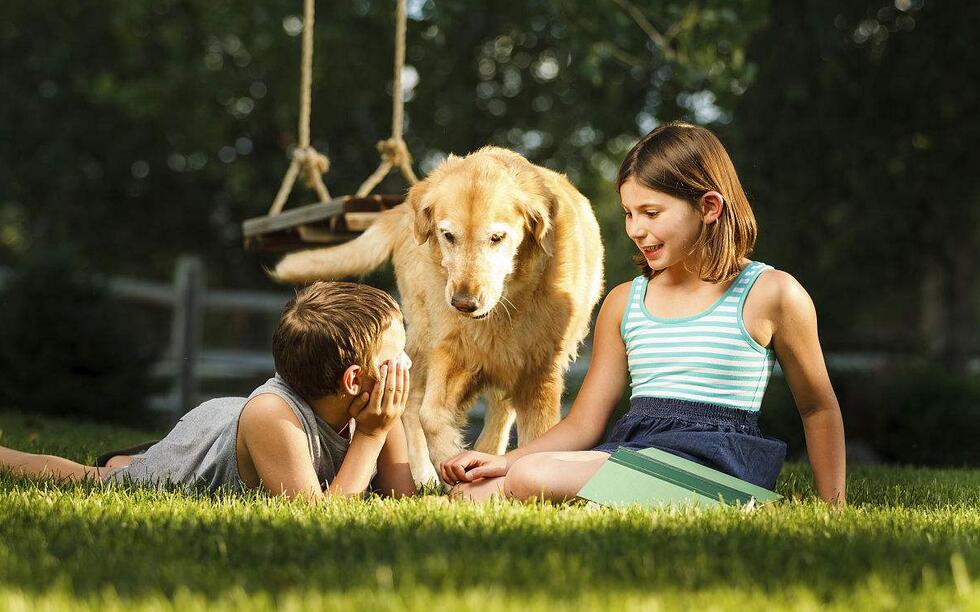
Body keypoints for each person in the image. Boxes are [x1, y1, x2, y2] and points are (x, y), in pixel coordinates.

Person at [440, 122, 846, 505]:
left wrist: (834, 507)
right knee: (476, 491)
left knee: (532, 478)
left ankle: (743, 503)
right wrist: (504, 461)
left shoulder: (772, 292)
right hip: (639, 451)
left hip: (720, 465)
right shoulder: (624, 302)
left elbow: (817, 407)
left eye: (651, 213)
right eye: (629, 214)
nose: (635, 229)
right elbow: (584, 424)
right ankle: (610, 493)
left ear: (708, 207)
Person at [0, 281, 417, 500]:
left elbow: (400, 499)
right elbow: (319, 519)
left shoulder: (377, 408)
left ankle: (131, 455)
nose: (407, 364)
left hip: (233, 428)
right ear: (354, 379)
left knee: (123, 464)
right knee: (100, 479)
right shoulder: (273, 415)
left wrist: (382, 430)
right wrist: (370, 437)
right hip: (213, 434)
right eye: (397, 354)